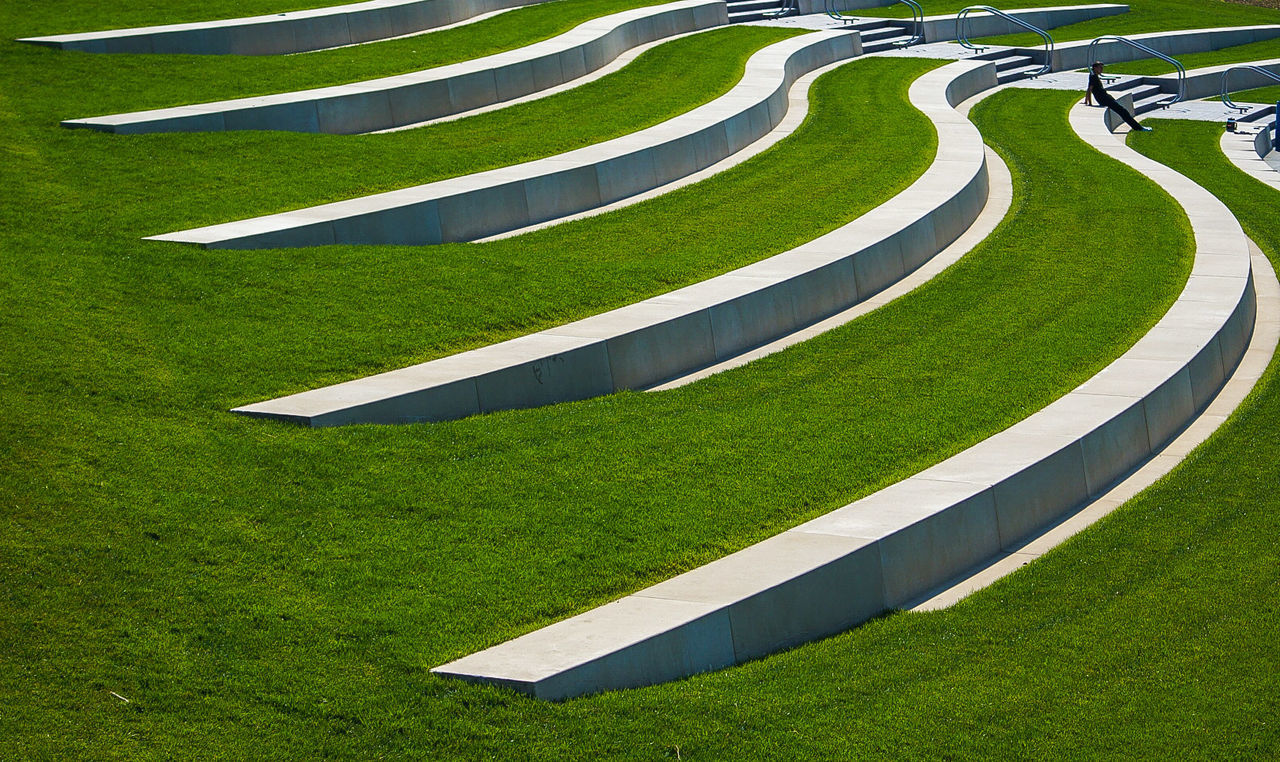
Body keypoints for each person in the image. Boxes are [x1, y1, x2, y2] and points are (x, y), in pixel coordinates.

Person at [1085, 61, 1152, 132]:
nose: (1102, 69)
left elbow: (1089, 88)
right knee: (1123, 112)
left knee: (1123, 111)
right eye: (1100, 68)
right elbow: (1090, 89)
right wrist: (1090, 103)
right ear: (1095, 68)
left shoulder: (1093, 75)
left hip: (1105, 98)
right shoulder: (1093, 77)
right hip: (1105, 99)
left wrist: (1086, 101)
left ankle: (1138, 127)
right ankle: (1139, 128)